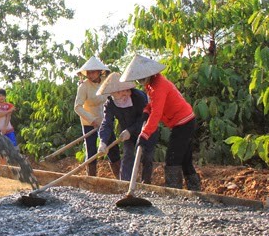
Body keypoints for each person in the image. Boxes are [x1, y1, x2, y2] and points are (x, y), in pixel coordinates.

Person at [120, 54, 201, 190]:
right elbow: (153, 104)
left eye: (142, 79)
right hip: (183, 121)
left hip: (183, 123)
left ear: (149, 74)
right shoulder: (152, 85)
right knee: (185, 159)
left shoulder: (159, 86)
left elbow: (157, 113)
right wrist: (146, 111)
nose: (141, 82)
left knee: (172, 159)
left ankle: (174, 192)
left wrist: (144, 135)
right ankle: (195, 190)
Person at [97, 72, 159, 182]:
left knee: (147, 157)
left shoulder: (139, 97)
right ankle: (124, 184)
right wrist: (103, 141)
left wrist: (131, 130)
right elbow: (107, 123)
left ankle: (145, 184)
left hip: (147, 128)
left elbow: (146, 117)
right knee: (128, 155)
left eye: (126, 90)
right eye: (120, 92)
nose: (125, 93)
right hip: (127, 132)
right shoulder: (110, 104)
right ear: (112, 93)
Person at [74, 56, 121, 177]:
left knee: (112, 148)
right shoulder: (83, 86)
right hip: (89, 122)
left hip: (106, 121)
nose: (90, 75)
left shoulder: (107, 82)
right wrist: (92, 120)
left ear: (100, 72)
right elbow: (77, 107)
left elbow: (114, 98)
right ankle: (91, 178)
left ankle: (121, 178)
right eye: (88, 72)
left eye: (93, 72)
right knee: (91, 151)